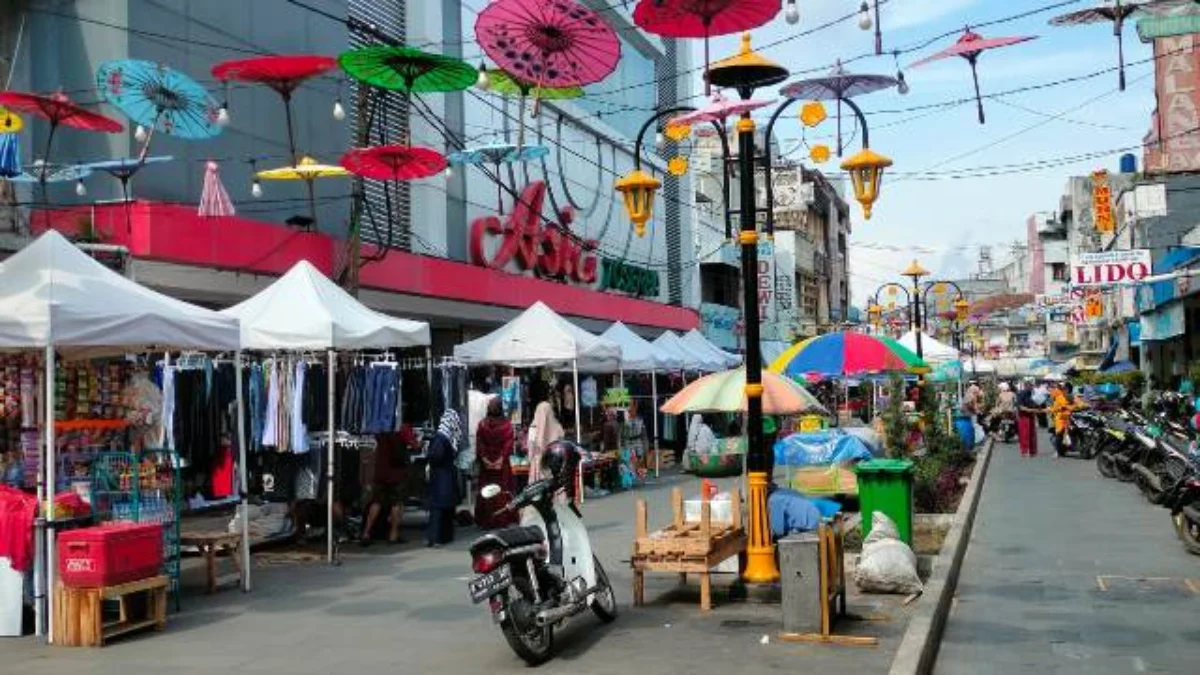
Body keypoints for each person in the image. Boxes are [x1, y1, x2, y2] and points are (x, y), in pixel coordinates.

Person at [361, 422, 421, 546]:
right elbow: (415, 445)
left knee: (376, 502)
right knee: (396, 503)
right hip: (397, 472)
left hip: (381, 470)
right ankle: (393, 535)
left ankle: (366, 533)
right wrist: (418, 442)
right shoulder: (403, 427)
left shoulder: (379, 424)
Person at [475, 397, 517, 530]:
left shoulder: (482, 424)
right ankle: (501, 519)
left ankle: (487, 520)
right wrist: (500, 460)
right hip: (501, 466)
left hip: (487, 466)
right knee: (502, 491)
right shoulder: (507, 425)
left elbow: (479, 443)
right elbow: (508, 444)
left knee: (486, 490)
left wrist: (485, 460)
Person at [425, 410, 462, 547]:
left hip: (443, 476)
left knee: (444, 508)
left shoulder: (444, 436)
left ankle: (443, 536)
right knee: (439, 508)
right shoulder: (442, 437)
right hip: (442, 477)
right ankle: (435, 537)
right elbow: (436, 456)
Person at [527, 400, 564, 481]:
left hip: (537, 468)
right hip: (555, 467)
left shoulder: (533, 429)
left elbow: (530, 453)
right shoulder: (558, 427)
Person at [1015, 379, 1042, 457]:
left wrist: (1038, 407)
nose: (1032, 388)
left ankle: (1031, 451)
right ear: (1026, 386)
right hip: (1024, 416)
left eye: (1032, 386)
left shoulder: (1029, 394)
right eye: (1031, 386)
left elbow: (1032, 403)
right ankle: (1025, 451)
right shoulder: (1021, 393)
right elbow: (1020, 406)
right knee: (1024, 434)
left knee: (1032, 434)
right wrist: (1031, 409)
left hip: (1030, 416)